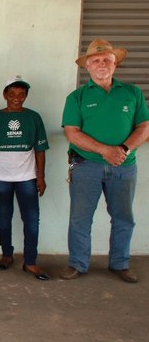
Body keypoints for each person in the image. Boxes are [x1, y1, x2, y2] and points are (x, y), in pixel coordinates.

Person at [61, 39, 149, 283]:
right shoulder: (77, 97)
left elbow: (144, 126)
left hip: (124, 165)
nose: (102, 64)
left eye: (107, 60)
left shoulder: (132, 93)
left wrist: (122, 149)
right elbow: (72, 132)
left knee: (123, 217)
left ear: (115, 64)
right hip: (86, 165)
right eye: (96, 60)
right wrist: (104, 151)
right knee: (80, 218)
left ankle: (120, 263)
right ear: (87, 66)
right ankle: (78, 263)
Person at [0, 75, 50, 280]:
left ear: (26, 96)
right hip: (0, 177)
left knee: (31, 219)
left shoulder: (34, 117)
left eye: (21, 94)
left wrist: (41, 177)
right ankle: (6, 255)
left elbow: (40, 150)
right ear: (5, 95)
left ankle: (30, 261)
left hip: (27, 177)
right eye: (12, 94)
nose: (16, 98)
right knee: (4, 217)